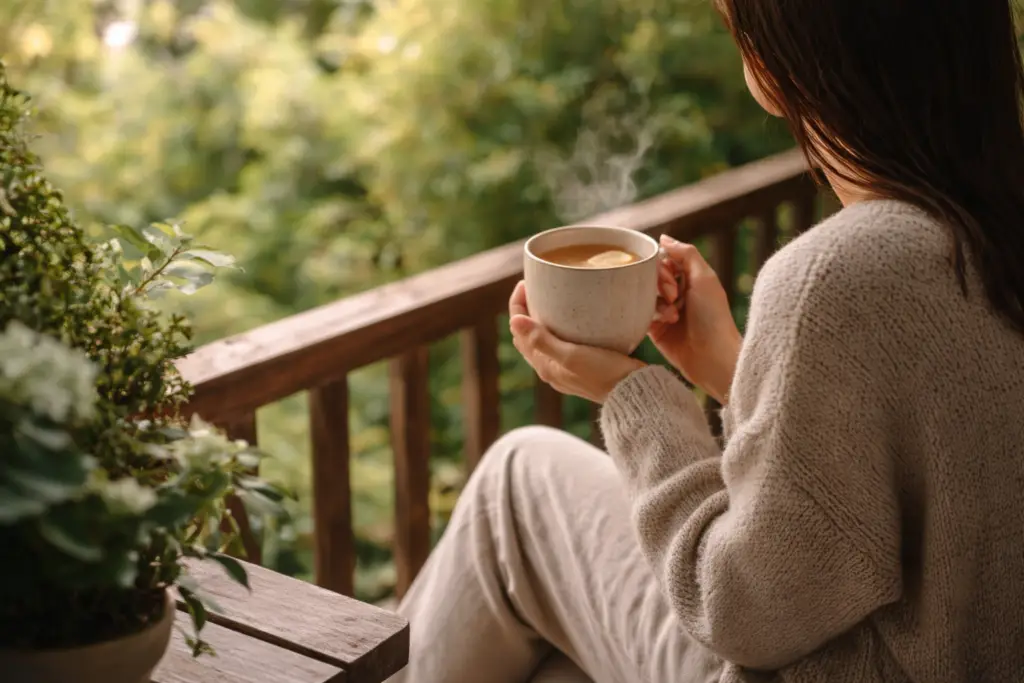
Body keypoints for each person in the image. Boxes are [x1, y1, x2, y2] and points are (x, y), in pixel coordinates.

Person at [388, 0, 1024, 681]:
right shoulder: (986, 229)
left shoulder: (839, 275)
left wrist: (633, 395)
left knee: (515, 485)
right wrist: (731, 367)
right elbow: (903, 483)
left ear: (779, 60)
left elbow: (742, 607)